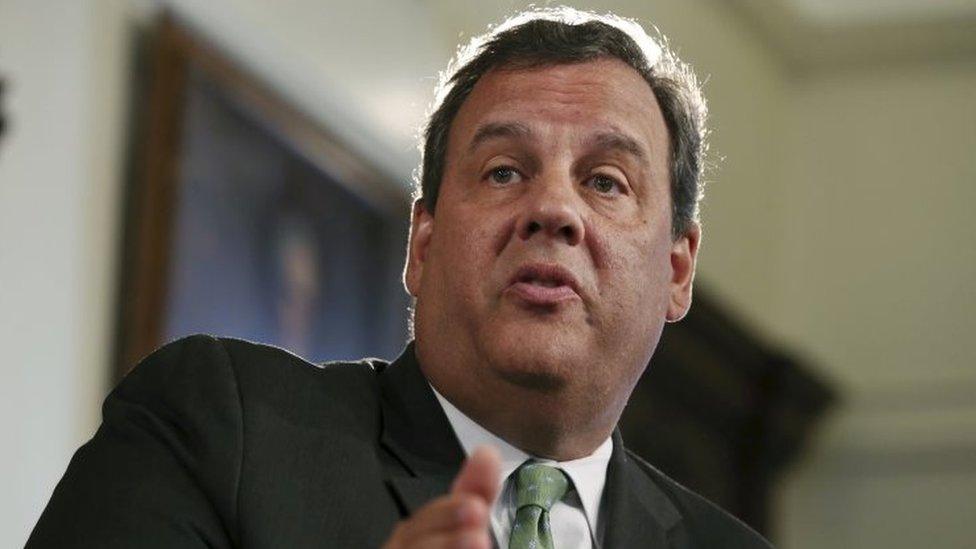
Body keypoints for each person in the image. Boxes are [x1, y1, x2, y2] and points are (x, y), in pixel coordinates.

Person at [28, 7, 772, 549]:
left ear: (678, 269)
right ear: (422, 242)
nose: (552, 208)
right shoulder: (223, 430)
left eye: (606, 181)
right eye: (504, 170)